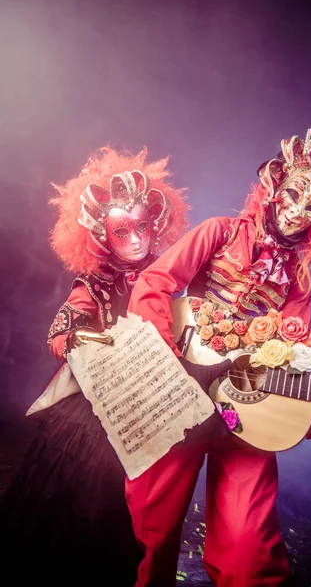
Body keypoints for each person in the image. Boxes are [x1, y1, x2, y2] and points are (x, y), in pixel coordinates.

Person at [125, 128, 311, 587]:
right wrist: (172, 365)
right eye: (294, 194)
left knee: (249, 546)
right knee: (150, 531)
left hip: (241, 411)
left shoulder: (298, 281)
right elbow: (154, 284)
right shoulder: (219, 232)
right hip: (181, 396)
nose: (296, 211)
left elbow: (294, 357)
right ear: (274, 185)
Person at [0, 146, 190, 583]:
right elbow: (58, 334)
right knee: (83, 499)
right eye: (123, 231)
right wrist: (80, 341)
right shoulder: (94, 283)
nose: (137, 237)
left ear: (156, 223)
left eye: (142, 226)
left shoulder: (172, 274)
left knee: (145, 510)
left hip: (156, 401)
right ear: (103, 234)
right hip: (99, 404)